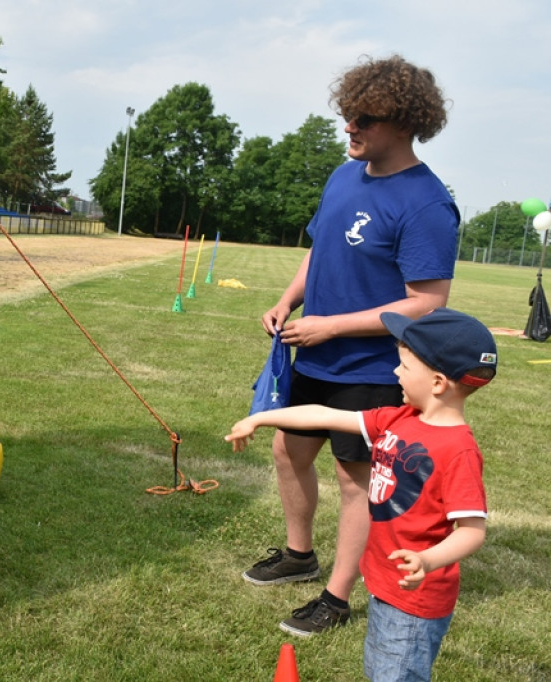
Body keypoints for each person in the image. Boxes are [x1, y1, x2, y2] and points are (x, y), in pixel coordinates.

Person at [244, 54, 461, 636]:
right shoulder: (343, 176)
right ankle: (299, 555)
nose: (350, 127)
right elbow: (320, 251)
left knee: (355, 481)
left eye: (364, 118)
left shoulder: (427, 203)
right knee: (288, 452)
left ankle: (336, 597)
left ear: (404, 122)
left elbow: (427, 302)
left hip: (374, 368)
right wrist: (288, 301)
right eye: (348, 114)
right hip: (315, 354)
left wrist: (333, 326)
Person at [226, 308, 495, 681]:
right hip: (384, 582)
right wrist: (260, 418)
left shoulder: (457, 449)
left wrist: (427, 560)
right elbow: (324, 415)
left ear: (437, 383)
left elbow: (472, 531)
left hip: (415, 597)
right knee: (381, 668)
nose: (395, 372)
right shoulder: (399, 418)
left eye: (404, 366)